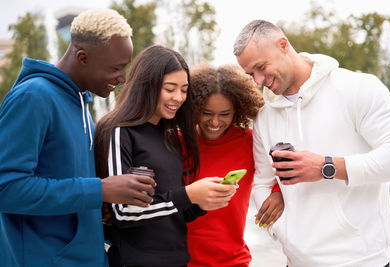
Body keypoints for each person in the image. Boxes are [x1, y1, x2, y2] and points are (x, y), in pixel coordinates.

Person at [233, 19, 390, 267]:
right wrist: (284, 234)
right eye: (250, 74)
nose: (257, 80)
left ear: (283, 45)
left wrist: (326, 167)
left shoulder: (358, 88)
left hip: (363, 260)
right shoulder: (264, 116)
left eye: (261, 67)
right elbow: (262, 182)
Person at [0, 9, 158, 267]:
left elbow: (71, 184)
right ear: (82, 57)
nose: (123, 78)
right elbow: (6, 188)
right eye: (116, 68)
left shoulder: (80, 101)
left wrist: (105, 202)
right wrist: (101, 189)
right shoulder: (33, 97)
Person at [94, 45, 237, 267]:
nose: (178, 98)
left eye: (184, 89)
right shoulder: (119, 131)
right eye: (170, 89)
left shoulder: (168, 136)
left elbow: (174, 211)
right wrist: (188, 194)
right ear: (147, 85)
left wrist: (202, 202)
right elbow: (123, 214)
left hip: (177, 261)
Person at [186, 63, 284, 266]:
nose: (214, 122)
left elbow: (283, 171)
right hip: (182, 261)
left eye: (224, 114)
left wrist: (278, 192)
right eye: (206, 113)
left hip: (233, 261)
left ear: (238, 109)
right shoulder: (178, 142)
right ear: (194, 108)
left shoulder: (249, 141)